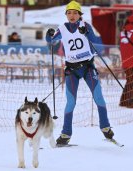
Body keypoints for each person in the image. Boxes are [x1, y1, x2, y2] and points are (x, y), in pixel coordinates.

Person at [46, 1, 114, 145]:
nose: (72, 15)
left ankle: (105, 127)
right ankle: (66, 134)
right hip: (72, 70)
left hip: (88, 68)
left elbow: (97, 44)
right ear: (66, 14)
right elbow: (51, 41)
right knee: (71, 102)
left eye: (75, 12)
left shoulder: (85, 25)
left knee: (98, 97)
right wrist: (49, 35)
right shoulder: (62, 28)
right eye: (69, 12)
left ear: (79, 14)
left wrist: (87, 34)